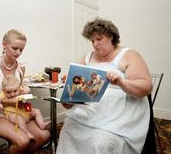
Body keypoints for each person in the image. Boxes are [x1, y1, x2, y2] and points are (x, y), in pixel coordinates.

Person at [56, 18, 153, 154]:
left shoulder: (129, 55)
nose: (95, 44)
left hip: (119, 114)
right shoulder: (87, 57)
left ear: (111, 36)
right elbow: (76, 92)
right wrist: (69, 93)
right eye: (92, 41)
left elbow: (146, 87)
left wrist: (121, 82)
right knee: (68, 129)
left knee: (101, 141)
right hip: (90, 111)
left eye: (99, 39)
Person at [0, 29, 50, 154]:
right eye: (15, 48)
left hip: (17, 112)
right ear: (4, 45)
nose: (18, 53)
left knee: (44, 135)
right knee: (23, 141)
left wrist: (23, 94)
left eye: (21, 50)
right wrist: (8, 102)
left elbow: (18, 92)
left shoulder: (21, 68)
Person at [0, 74, 51, 140]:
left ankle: (41, 124)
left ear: (18, 87)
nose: (12, 94)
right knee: (20, 119)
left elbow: (28, 88)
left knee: (36, 111)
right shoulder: (2, 93)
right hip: (12, 115)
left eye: (15, 91)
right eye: (8, 92)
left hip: (25, 112)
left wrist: (25, 90)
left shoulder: (20, 89)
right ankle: (26, 133)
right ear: (3, 90)